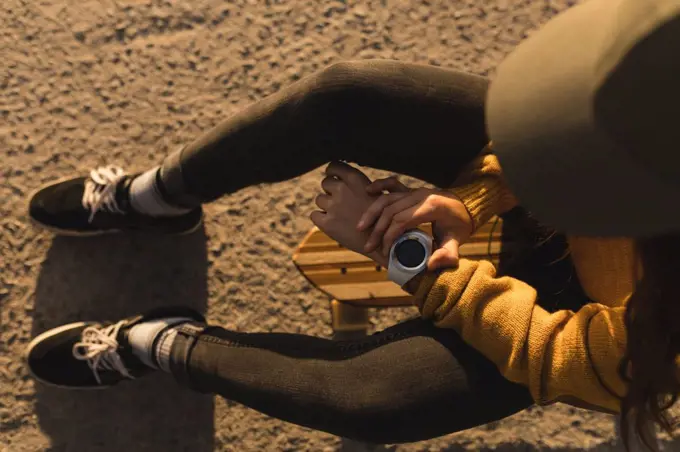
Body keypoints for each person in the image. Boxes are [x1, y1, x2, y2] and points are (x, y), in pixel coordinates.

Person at [24, 0, 680, 449]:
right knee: (350, 96)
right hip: (589, 219)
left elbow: (557, 353)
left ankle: (164, 342)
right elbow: (585, 128)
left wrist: (412, 260)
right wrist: (474, 199)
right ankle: (163, 194)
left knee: (369, 402)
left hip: (585, 320)